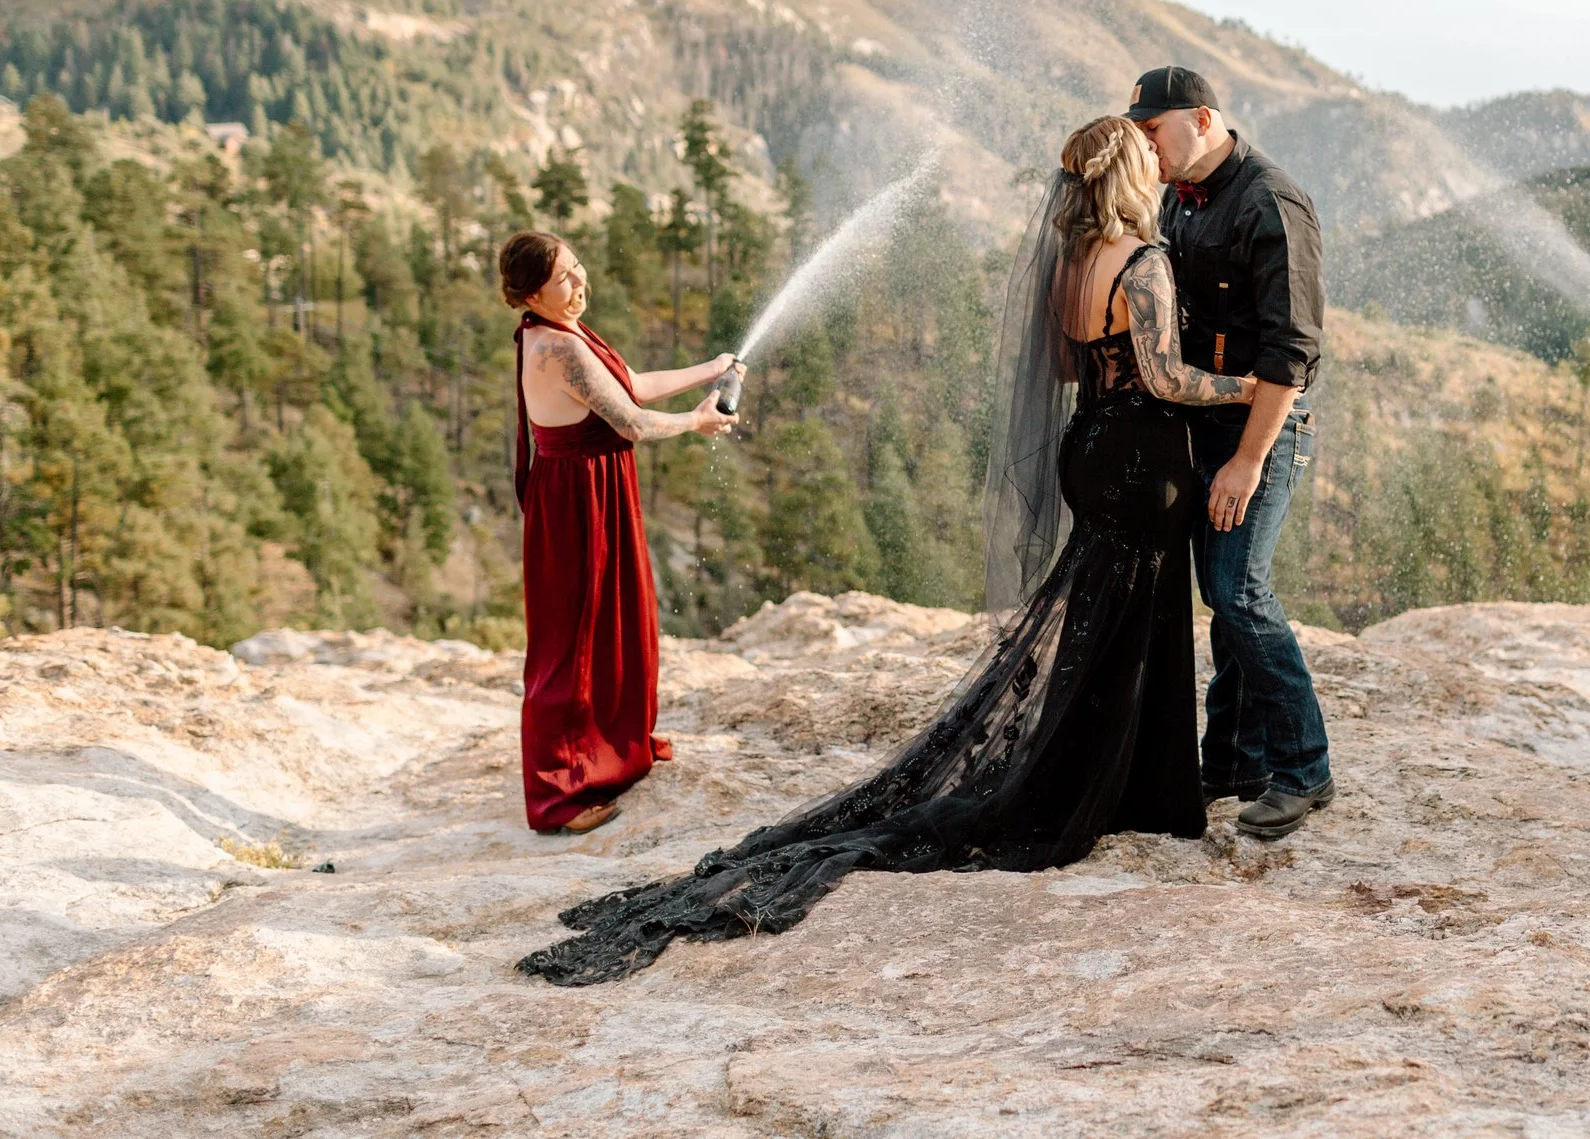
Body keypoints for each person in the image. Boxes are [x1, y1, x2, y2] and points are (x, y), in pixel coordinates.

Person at [519, 117, 1255, 984]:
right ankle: (1144, 788)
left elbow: (1063, 366)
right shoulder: (1144, 262)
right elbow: (1167, 377)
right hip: (1142, 460)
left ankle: (1112, 772)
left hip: (1088, 452)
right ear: (1133, 177)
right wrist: (1251, 384)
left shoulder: (1071, 264)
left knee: (1099, 617)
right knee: (1144, 618)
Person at [1126, 65, 1334, 840]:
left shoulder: (1271, 203)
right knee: (1223, 599)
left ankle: (1305, 770)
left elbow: (1292, 352)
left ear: (1204, 118)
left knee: (1238, 591)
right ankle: (1234, 759)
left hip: (1265, 428)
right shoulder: (1181, 197)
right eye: (1139, 132)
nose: (1147, 144)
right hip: (1205, 423)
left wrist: (1248, 460)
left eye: (1156, 129)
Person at [499, 231, 740, 836]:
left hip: (595, 490)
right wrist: (698, 421)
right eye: (564, 281)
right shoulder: (557, 347)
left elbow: (629, 382)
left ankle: (610, 754)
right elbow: (630, 422)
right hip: (578, 500)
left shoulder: (565, 331)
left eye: (579, 270)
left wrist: (709, 370)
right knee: (569, 646)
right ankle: (559, 797)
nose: (579, 285)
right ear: (533, 294)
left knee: (613, 623)